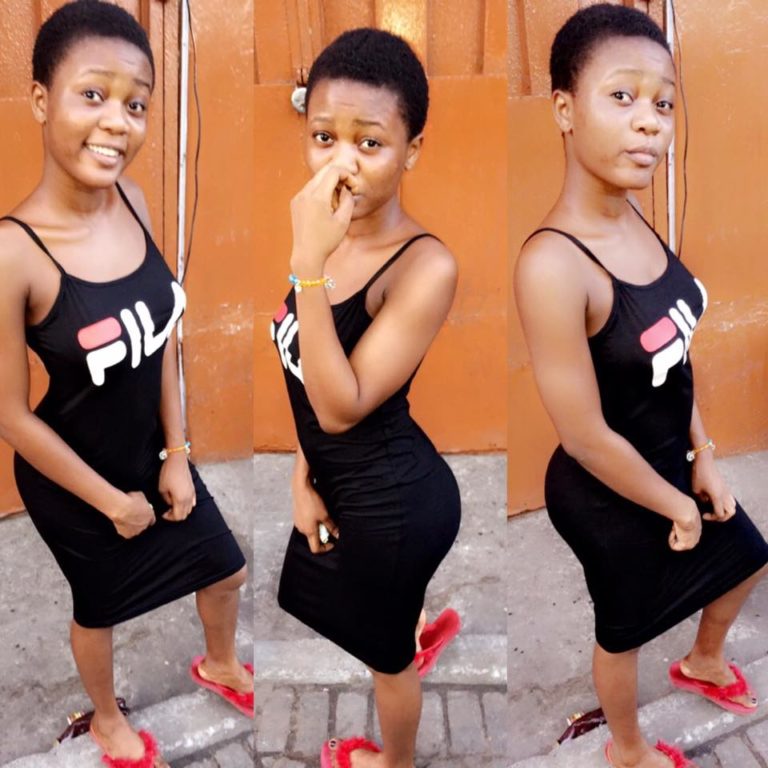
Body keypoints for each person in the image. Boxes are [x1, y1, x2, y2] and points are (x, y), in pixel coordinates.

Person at [514, 5, 768, 768]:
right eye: (621, 97)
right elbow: (583, 436)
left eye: (663, 103)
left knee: (749, 557)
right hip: (602, 489)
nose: (650, 122)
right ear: (565, 109)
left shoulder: (634, 217)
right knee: (622, 630)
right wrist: (673, 505)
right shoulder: (554, 265)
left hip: (669, 458)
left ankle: (704, 661)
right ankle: (626, 748)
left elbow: (674, 359)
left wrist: (703, 454)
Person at [0, 3, 252, 765]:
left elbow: (159, 335)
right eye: (92, 94)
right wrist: (110, 502)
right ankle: (107, 719)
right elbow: (10, 415)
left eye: (136, 103)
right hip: (74, 478)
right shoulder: (15, 252)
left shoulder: (134, 201)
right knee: (100, 608)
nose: (118, 121)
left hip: (151, 451)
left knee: (228, 567)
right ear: (41, 100)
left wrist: (177, 452)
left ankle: (220, 664)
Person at [270, 27, 461, 768]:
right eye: (324, 136)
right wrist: (302, 476)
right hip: (350, 488)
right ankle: (407, 615)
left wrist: (306, 263)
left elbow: (339, 405)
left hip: (397, 504)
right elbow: (302, 373)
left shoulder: (423, 266)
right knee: (371, 611)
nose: (340, 161)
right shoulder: (325, 238)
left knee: (388, 666)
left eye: (370, 143)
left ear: (413, 149)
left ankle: (395, 760)